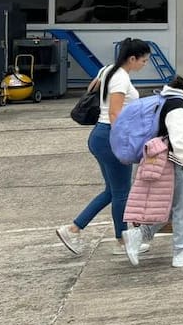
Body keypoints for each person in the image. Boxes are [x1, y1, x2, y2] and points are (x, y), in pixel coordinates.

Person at [56, 38, 152, 256]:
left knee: (112, 191)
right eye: (143, 61)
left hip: (99, 136)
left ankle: (73, 229)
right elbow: (114, 113)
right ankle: (122, 241)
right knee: (121, 193)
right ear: (132, 58)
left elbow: (93, 90)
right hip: (111, 137)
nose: (144, 64)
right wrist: (124, 142)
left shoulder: (107, 70)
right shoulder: (120, 79)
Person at [123, 69, 183, 268]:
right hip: (176, 162)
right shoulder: (178, 105)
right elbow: (178, 140)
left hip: (171, 161)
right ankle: (182, 251)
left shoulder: (174, 100)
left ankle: (139, 235)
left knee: (174, 206)